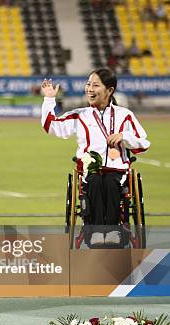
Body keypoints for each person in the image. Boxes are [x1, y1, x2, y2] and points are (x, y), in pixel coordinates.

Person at [40, 68, 150, 246]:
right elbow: (50, 126)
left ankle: (114, 230)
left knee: (110, 182)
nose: (90, 89)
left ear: (110, 90)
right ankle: (96, 231)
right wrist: (49, 99)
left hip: (117, 170)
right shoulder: (80, 115)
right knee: (96, 181)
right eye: (88, 84)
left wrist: (125, 137)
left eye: (95, 85)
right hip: (90, 171)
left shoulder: (125, 115)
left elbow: (143, 143)